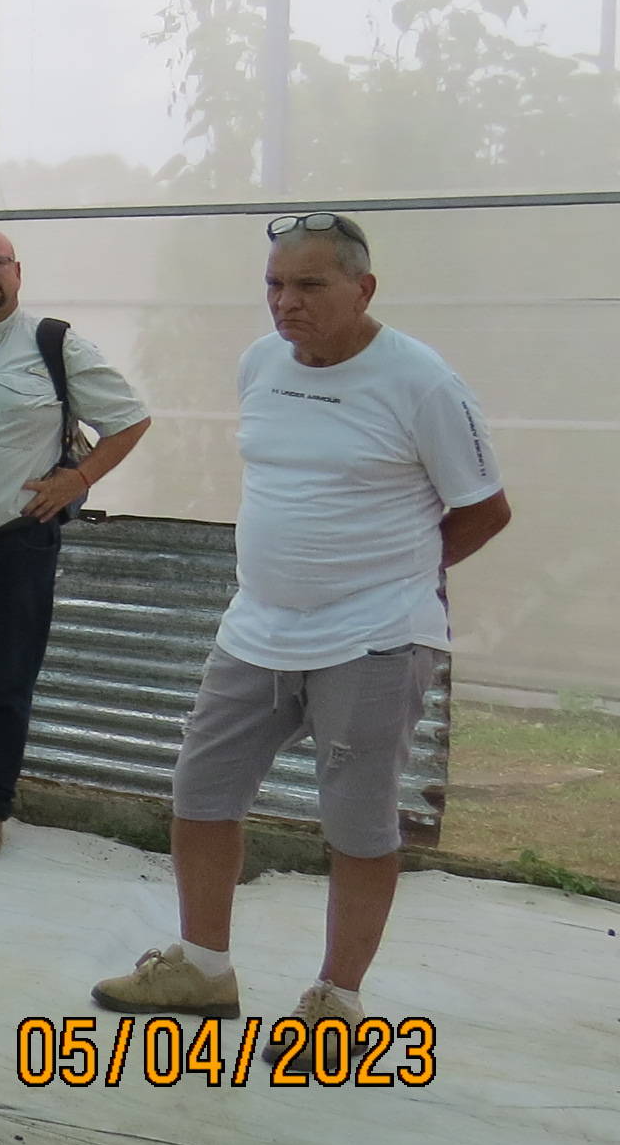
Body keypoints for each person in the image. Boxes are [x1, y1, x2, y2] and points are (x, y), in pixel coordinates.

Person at [93, 213, 508, 1031]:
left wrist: (389, 581)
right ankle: (205, 968)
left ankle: (338, 1001)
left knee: (358, 822)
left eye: (311, 285)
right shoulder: (261, 365)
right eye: (275, 286)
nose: (287, 303)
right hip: (257, 630)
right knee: (201, 792)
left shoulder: (422, 382)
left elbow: (484, 511)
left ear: (364, 288)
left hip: (376, 639)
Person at [0, 227, 151, 859]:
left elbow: (129, 417)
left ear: (18, 274)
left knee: (4, 684)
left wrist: (78, 477)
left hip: (14, 545)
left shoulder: (52, 345)